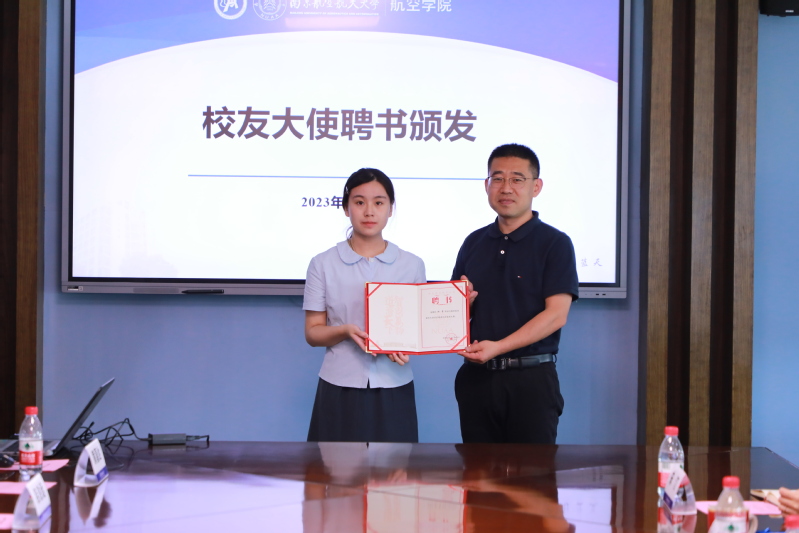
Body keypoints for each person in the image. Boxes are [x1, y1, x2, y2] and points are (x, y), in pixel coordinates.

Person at [451, 143, 579, 444]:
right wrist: (464, 305)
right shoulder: (473, 242)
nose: (506, 188)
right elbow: (454, 313)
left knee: (532, 471)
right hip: (476, 379)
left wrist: (499, 347)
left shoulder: (555, 243)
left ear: (536, 186)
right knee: (476, 470)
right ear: (486, 185)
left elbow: (556, 315)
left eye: (517, 179)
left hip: (531, 381)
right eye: (497, 178)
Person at [303, 168, 426, 443]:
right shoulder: (322, 263)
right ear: (346, 208)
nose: (369, 211)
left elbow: (417, 331)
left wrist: (404, 345)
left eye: (379, 202)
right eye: (359, 202)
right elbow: (312, 333)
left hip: (394, 384)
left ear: (391, 209)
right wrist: (345, 331)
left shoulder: (412, 265)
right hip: (339, 384)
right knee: (335, 467)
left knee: (396, 469)